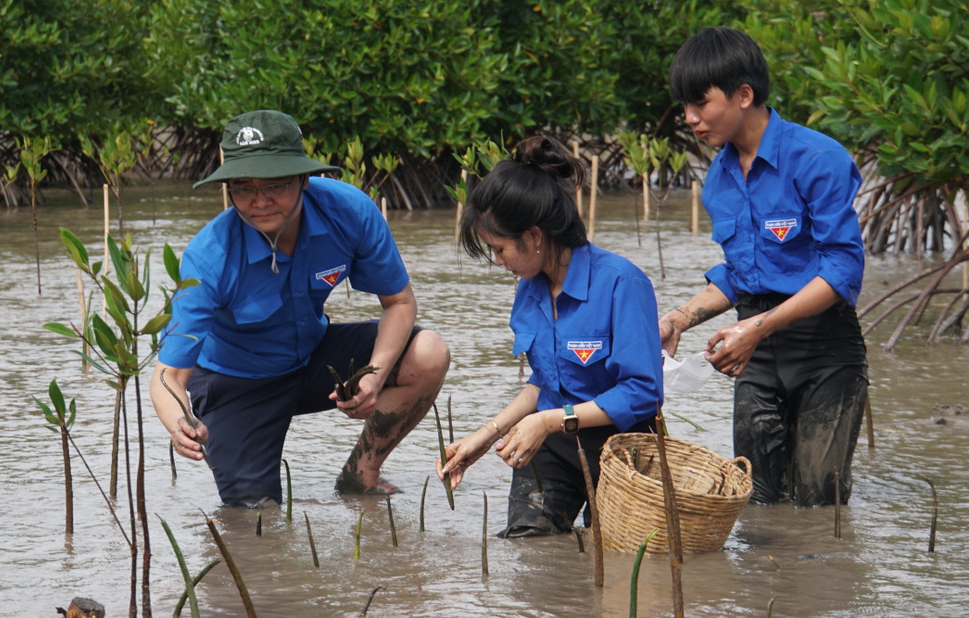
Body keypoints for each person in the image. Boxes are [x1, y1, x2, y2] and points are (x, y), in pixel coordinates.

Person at [150, 109, 450, 508]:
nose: (259, 201)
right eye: (243, 187)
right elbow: (167, 376)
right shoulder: (210, 257)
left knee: (428, 353)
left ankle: (362, 474)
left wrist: (372, 379)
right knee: (255, 521)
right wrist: (179, 422)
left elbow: (399, 303)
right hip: (235, 381)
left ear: (304, 179)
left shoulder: (350, 213)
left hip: (312, 358)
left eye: (275, 185)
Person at [658, 27, 869, 506]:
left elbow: (843, 268)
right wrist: (679, 319)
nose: (690, 119)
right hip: (756, 356)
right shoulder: (718, 178)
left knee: (820, 504)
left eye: (700, 104)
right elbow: (743, 272)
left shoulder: (818, 159)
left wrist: (758, 328)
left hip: (825, 353)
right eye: (685, 107)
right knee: (756, 502)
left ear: (744, 95)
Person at [436, 136, 662, 538]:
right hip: (553, 444)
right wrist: (485, 436)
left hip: (622, 449)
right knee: (528, 551)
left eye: (500, 249)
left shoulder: (621, 283)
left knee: (614, 558)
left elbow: (643, 392)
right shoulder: (529, 288)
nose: (497, 261)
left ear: (535, 237)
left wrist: (551, 420)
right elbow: (544, 383)